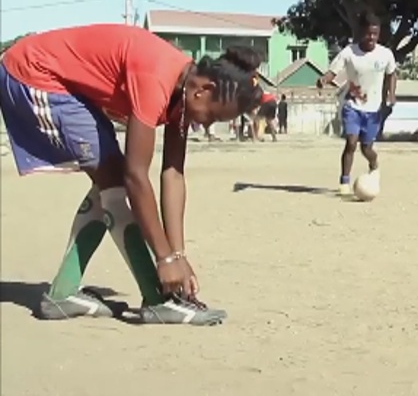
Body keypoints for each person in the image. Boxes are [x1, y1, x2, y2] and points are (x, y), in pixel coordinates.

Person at [0, 24, 263, 325]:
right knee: (114, 182)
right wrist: (164, 260)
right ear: (204, 90)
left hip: (61, 83)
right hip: (33, 74)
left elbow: (173, 174)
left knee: (109, 180)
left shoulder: (185, 91)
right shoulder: (156, 77)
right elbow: (136, 176)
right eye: (213, 116)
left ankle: (63, 294)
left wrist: (178, 255)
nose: (206, 125)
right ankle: (157, 298)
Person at [315, 12, 397, 197]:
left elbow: (392, 74)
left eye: (375, 34)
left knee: (366, 148)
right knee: (351, 142)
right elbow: (332, 71)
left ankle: (374, 165)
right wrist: (323, 80)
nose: (372, 38)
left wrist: (391, 94)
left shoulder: (385, 54)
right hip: (352, 104)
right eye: (368, 34)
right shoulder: (349, 52)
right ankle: (344, 181)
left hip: (374, 109)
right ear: (361, 33)